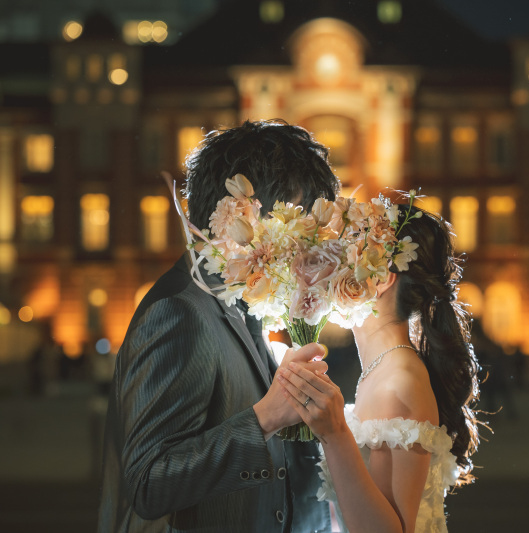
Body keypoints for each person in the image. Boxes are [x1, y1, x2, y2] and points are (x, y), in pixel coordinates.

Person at [99, 120, 339, 532]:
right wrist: (265, 418)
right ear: (243, 213)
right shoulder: (178, 311)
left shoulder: (240, 300)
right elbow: (148, 482)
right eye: (297, 224)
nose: (306, 245)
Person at [278, 204, 481, 532]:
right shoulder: (382, 372)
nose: (328, 268)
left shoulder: (398, 383)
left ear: (382, 278)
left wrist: (335, 433)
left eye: (345, 256)